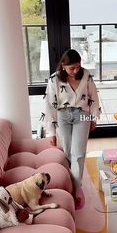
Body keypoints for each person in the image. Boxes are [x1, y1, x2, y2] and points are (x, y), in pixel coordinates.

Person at [44, 49, 101, 208]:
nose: (76, 70)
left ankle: (77, 188)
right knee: (68, 152)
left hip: (82, 115)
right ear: (63, 66)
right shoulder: (54, 80)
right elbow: (49, 105)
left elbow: (94, 97)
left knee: (79, 153)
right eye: (72, 68)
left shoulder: (86, 75)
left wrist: (93, 118)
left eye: (78, 67)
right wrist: (51, 132)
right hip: (63, 116)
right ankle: (69, 182)